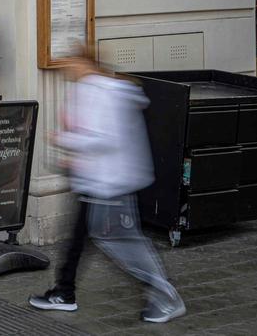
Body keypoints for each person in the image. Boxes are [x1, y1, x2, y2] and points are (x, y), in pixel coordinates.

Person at [29, 56, 186, 324]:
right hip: (97, 182)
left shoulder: (100, 92)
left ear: (85, 65)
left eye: (72, 67)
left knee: (123, 244)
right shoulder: (98, 89)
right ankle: (65, 292)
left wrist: (64, 139)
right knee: (81, 238)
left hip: (108, 185)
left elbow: (104, 138)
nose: (68, 73)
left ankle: (166, 295)